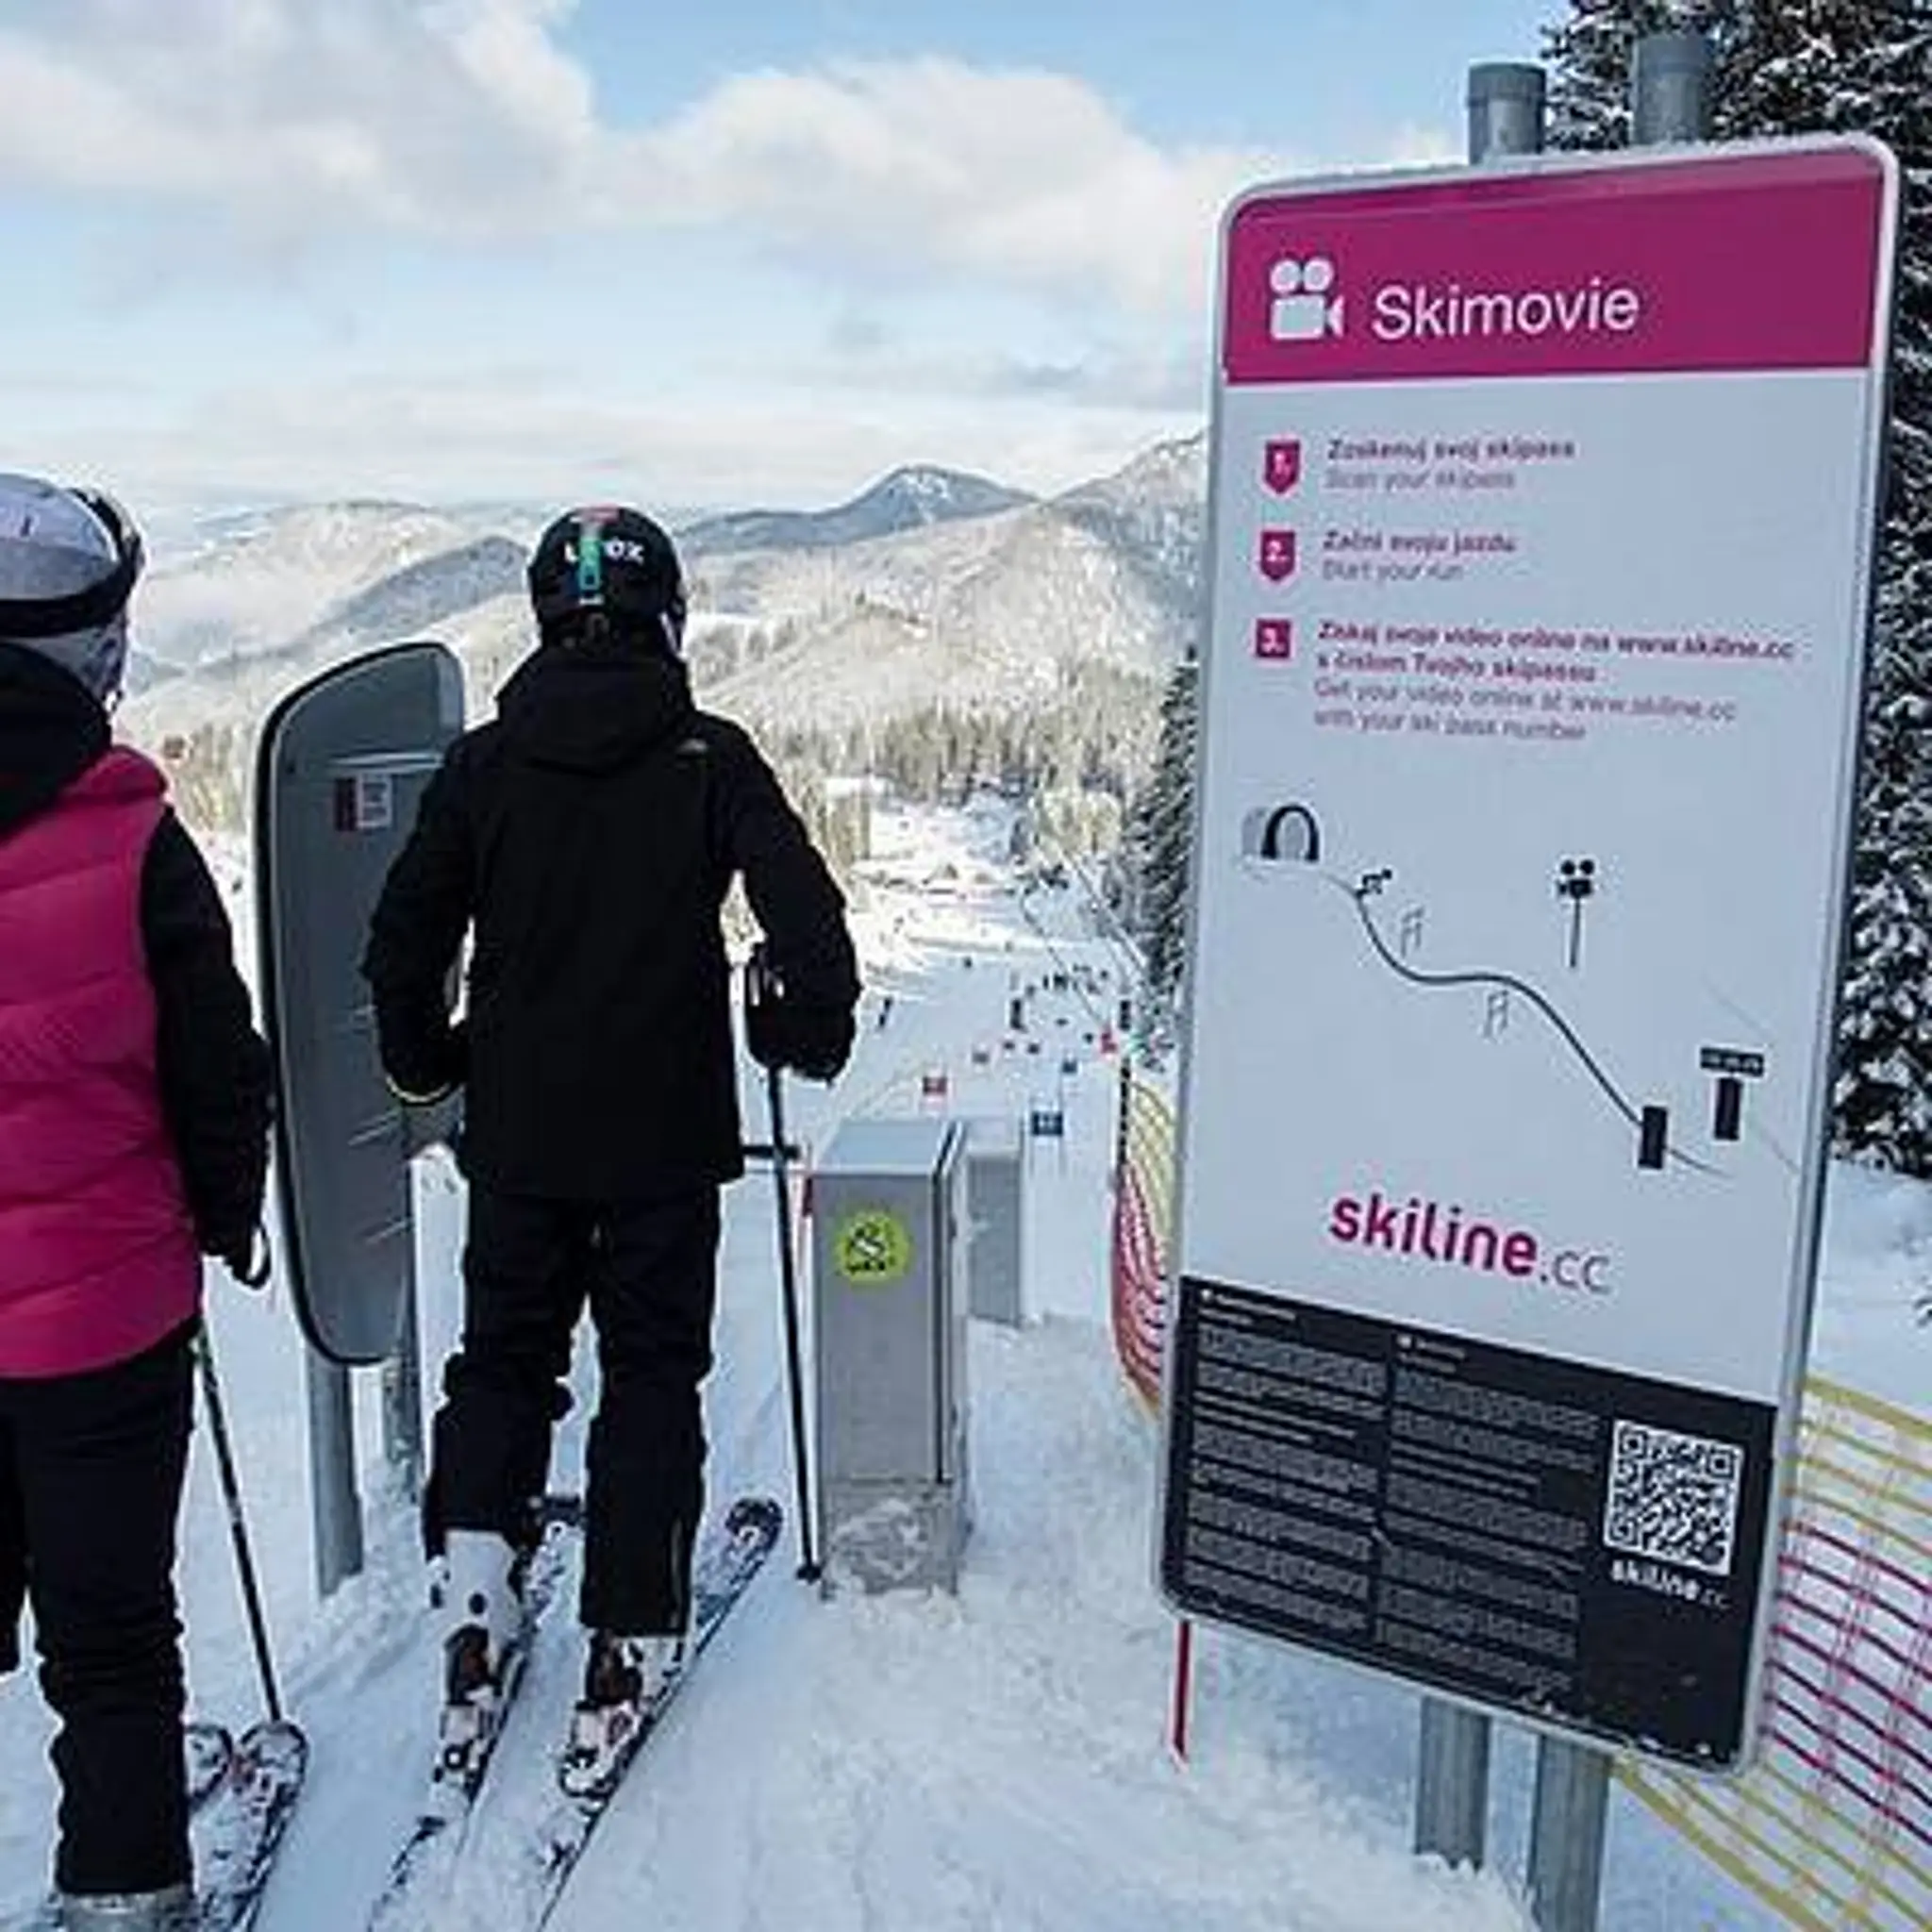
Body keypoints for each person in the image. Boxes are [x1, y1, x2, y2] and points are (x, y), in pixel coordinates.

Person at [362, 504, 858, 1795]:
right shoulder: (708, 756)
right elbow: (809, 922)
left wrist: (428, 1063)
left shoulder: (483, 766)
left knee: (503, 1363)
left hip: (519, 1133)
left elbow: (401, 941)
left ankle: (477, 1620)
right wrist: (804, 1033)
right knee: (650, 1375)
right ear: (667, 618)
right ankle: (627, 1642)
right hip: (663, 1137)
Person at [0, 475, 273, 1931]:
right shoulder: (128, 837)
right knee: (108, 1639)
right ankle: (124, 1895)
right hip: (103, 1313)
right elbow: (217, 1070)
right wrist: (226, 1215)